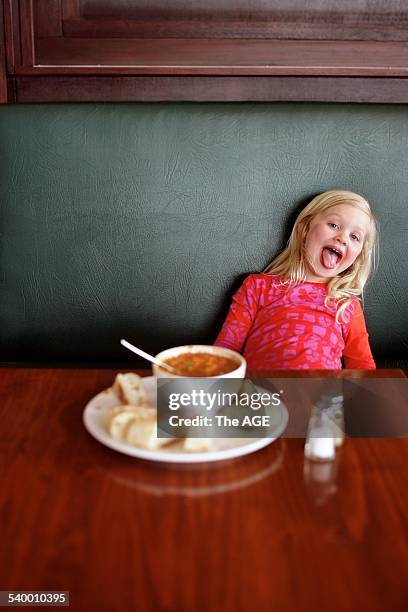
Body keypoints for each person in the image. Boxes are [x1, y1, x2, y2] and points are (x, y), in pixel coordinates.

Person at [214, 190, 378, 370]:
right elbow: (225, 350)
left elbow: (363, 368)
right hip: (261, 393)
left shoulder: (347, 306)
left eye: (354, 237)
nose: (342, 238)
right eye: (333, 225)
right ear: (304, 228)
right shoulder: (257, 287)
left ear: (358, 256)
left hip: (321, 394)